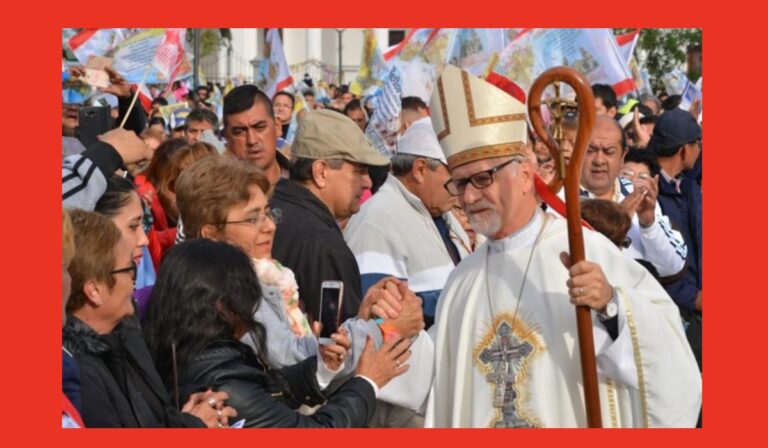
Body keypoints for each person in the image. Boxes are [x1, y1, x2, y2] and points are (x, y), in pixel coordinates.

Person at [425, 65, 700, 427]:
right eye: (459, 184)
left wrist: (611, 305)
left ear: (525, 173)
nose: (470, 196)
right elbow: (438, 383)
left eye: (482, 178)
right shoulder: (463, 281)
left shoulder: (587, 252)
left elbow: (672, 362)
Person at [143, 238, 413, 427]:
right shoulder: (223, 387)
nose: (268, 226)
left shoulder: (193, 351)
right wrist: (367, 382)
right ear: (225, 307)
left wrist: (322, 368)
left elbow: (268, 391)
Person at [62, 210, 235, 428]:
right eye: (128, 269)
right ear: (94, 290)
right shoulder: (78, 372)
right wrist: (191, 426)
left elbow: (148, 410)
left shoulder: (124, 331)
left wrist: (190, 399)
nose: (133, 281)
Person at [345, 116, 471, 328]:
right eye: (454, 181)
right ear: (420, 169)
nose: (459, 192)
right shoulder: (376, 221)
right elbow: (378, 316)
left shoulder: (442, 213)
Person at [271, 109, 391, 321]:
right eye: (359, 170)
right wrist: (395, 328)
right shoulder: (323, 246)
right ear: (321, 172)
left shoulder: (270, 206)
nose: (367, 182)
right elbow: (337, 339)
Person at [576, 115, 687, 279]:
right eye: (591, 151)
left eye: (609, 152)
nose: (599, 160)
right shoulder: (559, 198)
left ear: (622, 156)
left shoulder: (638, 194)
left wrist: (649, 223)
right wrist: (616, 222)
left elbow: (672, 266)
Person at [648, 108, 703, 374]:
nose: (701, 150)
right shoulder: (648, 192)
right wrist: (693, 297)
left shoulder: (687, 183)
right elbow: (652, 262)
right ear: (684, 150)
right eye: (697, 144)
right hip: (675, 317)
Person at [222, 85, 283, 191]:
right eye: (239, 132)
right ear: (227, 137)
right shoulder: (215, 195)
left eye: (260, 127)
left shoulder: (307, 182)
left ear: (277, 127)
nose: (252, 140)